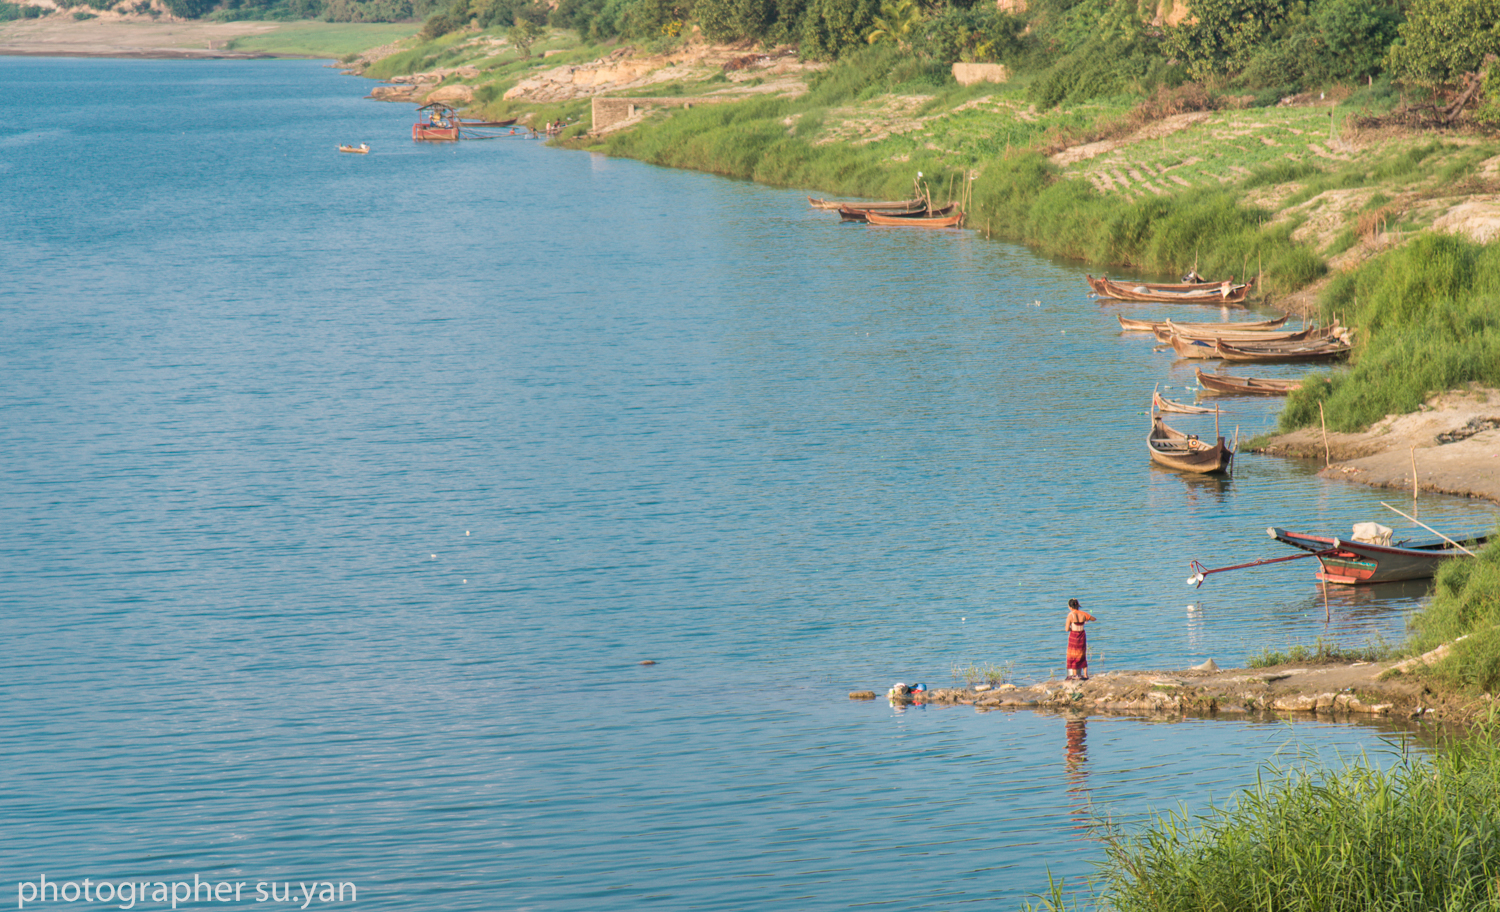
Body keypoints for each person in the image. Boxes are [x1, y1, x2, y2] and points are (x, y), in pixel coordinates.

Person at [1064, 598, 1096, 680]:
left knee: (1073, 654)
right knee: (1082, 654)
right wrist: (1086, 619)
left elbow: (1067, 629)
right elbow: (1093, 619)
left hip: (1074, 636)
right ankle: (1085, 675)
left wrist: (1072, 628)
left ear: (1070, 607)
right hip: (1082, 635)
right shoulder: (1084, 614)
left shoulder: (1070, 615)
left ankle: (1075, 675)